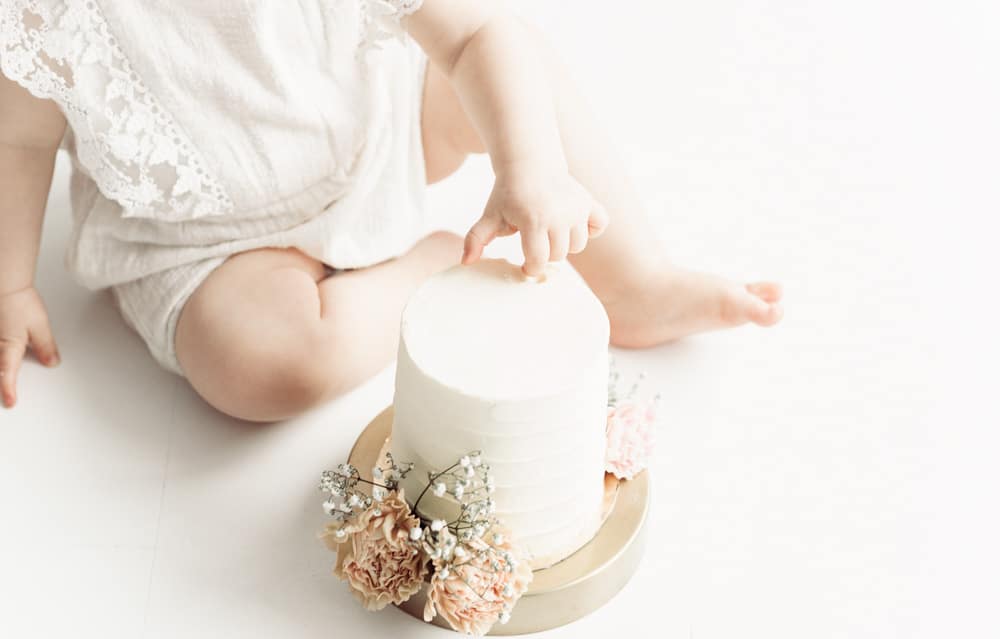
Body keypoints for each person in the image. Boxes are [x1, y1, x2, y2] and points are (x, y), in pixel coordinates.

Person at [0, 0, 783, 421]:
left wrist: (531, 166)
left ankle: (633, 278)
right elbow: (19, 140)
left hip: (369, 133)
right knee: (267, 364)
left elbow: (475, 34)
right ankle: (431, 264)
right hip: (203, 235)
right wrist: (10, 283)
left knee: (516, 66)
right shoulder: (53, 11)